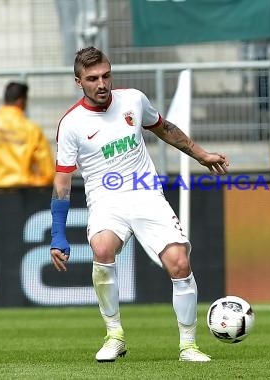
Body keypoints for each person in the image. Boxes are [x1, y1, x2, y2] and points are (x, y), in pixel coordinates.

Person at [49, 47, 229, 362]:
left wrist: (202, 155)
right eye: (92, 78)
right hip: (106, 199)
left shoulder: (133, 99)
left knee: (180, 263)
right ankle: (114, 335)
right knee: (102, 249)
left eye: (106, 75)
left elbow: (164, 128)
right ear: (79, 81)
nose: (101, 84)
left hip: (146, 193)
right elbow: (62, 184)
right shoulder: (72, 124)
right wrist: (57, 235)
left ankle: (188, 345)